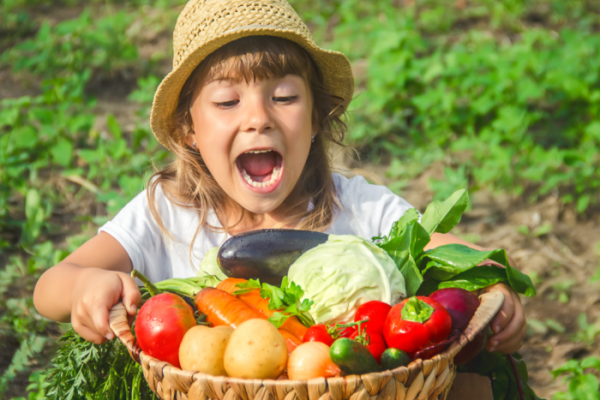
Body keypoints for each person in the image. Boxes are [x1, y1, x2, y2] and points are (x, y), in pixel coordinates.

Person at [33, 0, 525, 356]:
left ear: (315, 119)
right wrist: (86, 287)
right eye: (227, 102)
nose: (258, 118)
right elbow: (51, 285)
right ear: (189, 129)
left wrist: (497, 292)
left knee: (471, 377)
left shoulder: (359, 209)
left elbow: (457, 255)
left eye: (284, 97)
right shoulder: (167, 212)